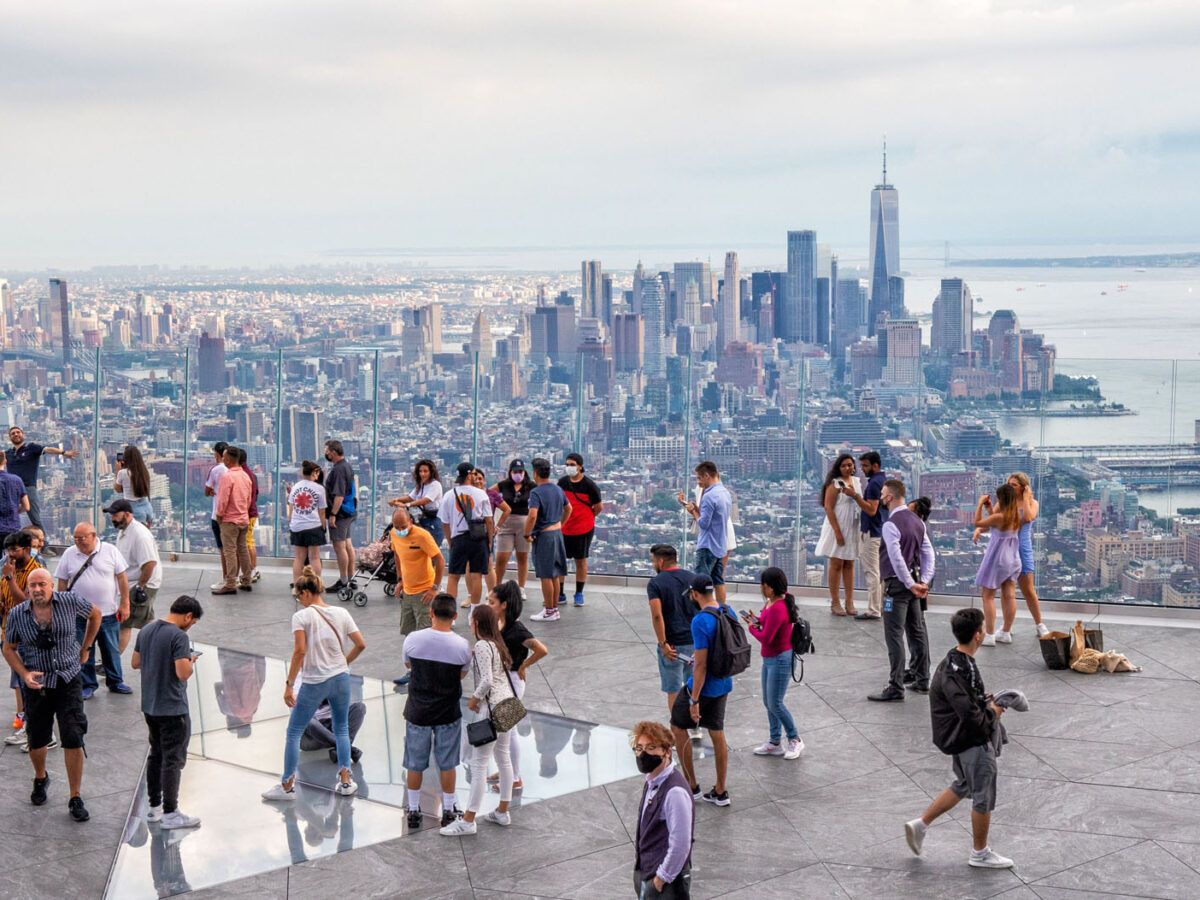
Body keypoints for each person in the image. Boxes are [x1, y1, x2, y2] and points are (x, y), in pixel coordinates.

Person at [904, 607, 1013, 870]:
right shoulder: (960, 669)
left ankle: (921, 824)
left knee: (963, 783)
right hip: (971, 741)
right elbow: (970, 716)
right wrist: (993, 712)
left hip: (957, 737)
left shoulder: (950, 662)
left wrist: (983, 703)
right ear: (978, 635)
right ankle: (980, 853)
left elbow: (963, 702)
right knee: (983, 795)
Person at [2, 568, 101, 822]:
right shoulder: (17, 615)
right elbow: (9, 648)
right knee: (37, 739)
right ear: (27, 589)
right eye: (32, 586)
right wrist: (23, 674)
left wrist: (86, 647)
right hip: (38, 684)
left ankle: (75, 796)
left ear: (51, 586)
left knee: (73, 736)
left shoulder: (69, 602)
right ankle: (40, 777)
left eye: (42, 585)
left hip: (68, 678)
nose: (37, 590)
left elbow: (96, 614)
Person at [262, 566, 366, 801]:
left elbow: (299, 651)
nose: (298, 600)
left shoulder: (301, 617)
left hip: (315, 680)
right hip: (340, 678)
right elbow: (361, 644)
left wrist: (289, 684)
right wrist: (342, 662)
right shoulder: (341, 612)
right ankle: (346, 781)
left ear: (306, 592)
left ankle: (287, 785)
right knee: (341, 729)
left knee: (294, 732)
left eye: (298, 595)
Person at [440, 604, 518, 835]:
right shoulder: (497, 643)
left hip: (492, 709)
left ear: (477, 623)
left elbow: (486, 681)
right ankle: (502, 811)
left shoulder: (484, 645)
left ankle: (468, 820)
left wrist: (474, 699)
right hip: (508, 706)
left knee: (479, 764)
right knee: (503, 759)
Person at [399, 592, 471, 830]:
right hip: (448, 711)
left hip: (418, 710)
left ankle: (413, 809)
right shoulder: (462, 646)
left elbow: (409, 665)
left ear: (430, 613)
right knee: (447, 763)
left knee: (415, 762)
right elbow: (462, 674)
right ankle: (449, 809)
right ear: (454, 616)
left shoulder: (413, 639)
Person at [131, 595, 204, 829]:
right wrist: (190, 660)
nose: (190, 626)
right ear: (188, 616)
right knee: (173, 759)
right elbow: (183, 673)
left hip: (150, 706)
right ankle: (171, 813)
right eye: (192, 622)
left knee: (156, 754)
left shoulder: (146, 630)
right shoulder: (179, 636)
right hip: (173, 708)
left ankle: (154, 808)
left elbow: (135, 662)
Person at [669, 574, 735, 808]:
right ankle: (721, 790)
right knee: (717, 732)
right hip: (724, 683)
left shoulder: (700, 621)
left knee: (678, 725)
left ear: (695, 594)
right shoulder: (728, 611)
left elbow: (701, 667)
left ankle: (691, 784)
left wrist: (694, 699)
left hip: (703, 687)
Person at [868, 480, 935, 702]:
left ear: (892, 496)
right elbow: (928, 554)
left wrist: (910, 583)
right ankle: (923, 679)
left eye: (884, 494)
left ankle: (896, 686)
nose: (882, 497)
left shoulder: (891, 525)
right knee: (917, 631)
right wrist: (922, 581)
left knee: (894, 634)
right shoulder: (918, 522)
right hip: (914, 586)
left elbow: (896, 560)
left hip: (897, 587)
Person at [55, 521, 132, 698]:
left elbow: (122, 577)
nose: (79, 542)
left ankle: (116, 681)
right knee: (83, 650)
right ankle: (88, 684)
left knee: (111, 649)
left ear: (93, 536)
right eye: (75, 538)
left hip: (108, 613)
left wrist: (125, 602)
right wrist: (63, 606)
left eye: (82, 538)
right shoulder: (69, 553)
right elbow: (62, 581)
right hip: (79, 615)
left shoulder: (110, 550)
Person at [488, 580, 547, 791]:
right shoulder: (499, 623)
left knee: (508, 732)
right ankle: (508, 771)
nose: (489, 605)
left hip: (511, 683)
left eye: (492, 601)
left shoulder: (517, 629)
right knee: (506, 732)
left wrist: (523, 665)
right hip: (502, 682)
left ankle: (514, 778)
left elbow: (541, 649)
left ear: (504, 604)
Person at [630, 720, 694, 899]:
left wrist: (659, 881)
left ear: (667, 751)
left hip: (666, 885)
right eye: (639, 748)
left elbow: (680, 845)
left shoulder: (674, 792)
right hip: (648, 873)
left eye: (651, 748)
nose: (643, 754)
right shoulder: (652, 780)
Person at [746, 567, 803, 759]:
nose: (761, 588)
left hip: (779, 659)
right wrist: (756, 620)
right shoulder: (773, 602)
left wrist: (751, 628)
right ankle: (775, 741)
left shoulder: (779, 607)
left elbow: (767, 637)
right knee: (768, 702)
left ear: (769, 587)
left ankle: (795, 739)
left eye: (763, 585)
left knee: (775, 703)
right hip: (770, 658)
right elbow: (765, 620)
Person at [646, 544, 701, 741]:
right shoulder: (693, 578)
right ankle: (695, 725)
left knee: (673, 688)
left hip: (673, 645)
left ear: (660, 561)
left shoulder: (656, 583)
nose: (653, 564)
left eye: (653, 561)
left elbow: (657, 616)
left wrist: (663, 643)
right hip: (695, 641)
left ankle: (679, 727)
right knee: (693, 685)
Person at [390, 506, 445, 687]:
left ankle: (427, 674)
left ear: (411, 521)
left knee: (425, 635)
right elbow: (397, 556)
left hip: (424, 592)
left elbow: (439, 559)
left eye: (403, 526)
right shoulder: (394, 534)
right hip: (408, 591)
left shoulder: (422, 535)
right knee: (409, 634)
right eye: (396, 526)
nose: (400, 530)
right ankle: (413, 671)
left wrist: (434, 588)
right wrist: (400, 580)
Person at [2, 531, 44, 745]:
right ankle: (25, 722)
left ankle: (36, 729)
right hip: (9, 633)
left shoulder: (35, 572)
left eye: (14, 550)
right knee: (18, 681)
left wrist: (9, 578)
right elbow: (4, 598)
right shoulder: (9, 568)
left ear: (27, 549)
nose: (10, 554)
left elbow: (26, 603)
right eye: (8, 550)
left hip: (26, 634)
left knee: (28, 679)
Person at [108, 499, 162, 653]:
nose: (113, 518)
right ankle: (163, 648)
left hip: (143, 583)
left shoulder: (140, 535)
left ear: (127, 514)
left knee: (125, 622)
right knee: (146, 620)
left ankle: (112, 663)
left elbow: (150, 564)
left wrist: (140, 587)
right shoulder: (124, 530)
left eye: (115, 515)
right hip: (133, 582)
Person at [439, 462, 494, 610]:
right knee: (476, 575)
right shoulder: (481, 494)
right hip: (478, 539)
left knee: (453, 576)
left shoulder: (449, 495)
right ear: (469, 475)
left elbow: (445, 522)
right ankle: (474, 610)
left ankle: (450, 611)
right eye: (474, 474)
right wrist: (489, 541)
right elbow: (489, 520)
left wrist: (451, 541)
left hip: (458, 538)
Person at [973, 485, 1022, 647]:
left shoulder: (1000, 518)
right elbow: (995, 523)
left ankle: (990, 635)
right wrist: (989, 509)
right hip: (1012, 559)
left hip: (997, 559)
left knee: (988, 596)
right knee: (1009, 595)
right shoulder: (1015, 515)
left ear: (1001, 499)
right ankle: (1006, 632)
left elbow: (977, 523)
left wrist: (980, 504)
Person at [6, 425, 79, 532]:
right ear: (10, 438)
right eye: (13, 433)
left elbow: (48, 449)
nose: (16, 434)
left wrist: (63, 453)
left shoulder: (31, 448)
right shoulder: (8, 454)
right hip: (12, 490)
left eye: (18, 432)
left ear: (23, 435)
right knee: (8, 515)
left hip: (28, 488)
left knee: (35, 519)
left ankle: (43, 545)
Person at [815, 453, 861, 617]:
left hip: (852, 526)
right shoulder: (834, 484)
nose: (848, 468)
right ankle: (835, 601)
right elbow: (828, 507)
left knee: (849, 563)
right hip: (838, 526)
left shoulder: (856, 482)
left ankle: (849, 601)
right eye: (844, 465)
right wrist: (837, 532)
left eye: (850, 465)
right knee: (836, 564)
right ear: (838, 468)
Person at [678, 461, 731, 602]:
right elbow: (715, 519)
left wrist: (694, 511)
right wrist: (697, 510)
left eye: (699, 478)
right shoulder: (725, 493)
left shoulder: (709, 496)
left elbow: (703, 524)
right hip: (720, 546)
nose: (698, 482)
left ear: (707, 475)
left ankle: (704, 612)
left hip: (707, 546)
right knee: (718, 581)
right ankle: (721, 611)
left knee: (701, 584)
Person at [526, 458, 570, 622]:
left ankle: (549, 611)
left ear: (535, 473)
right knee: (555, 574)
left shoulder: (536, 492)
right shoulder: (558, 489)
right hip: (557, 534)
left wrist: (527, 532)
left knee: (545, 574)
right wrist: (560, 523)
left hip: (544, 536)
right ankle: (554, 609)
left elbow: (532, 515)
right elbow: (569, 508)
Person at [557, 452, 603, 608]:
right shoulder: (562, 482)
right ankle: (560, 593)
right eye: (567, 464)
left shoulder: (590, 486)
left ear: (580, 467)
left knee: (581, 561)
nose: (569, 467)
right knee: (560, 561)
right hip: (564, 527)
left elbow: (598, 507)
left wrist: (587, 517)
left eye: (572, 464)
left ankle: (579, 593)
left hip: (583, 528)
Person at [844, 451, 886, 621]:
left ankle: (874, 609)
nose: (862, 469)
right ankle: (879, 606)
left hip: (872, 531)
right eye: (861, 465)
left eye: (866, 466)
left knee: (872, 572)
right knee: (877, 572)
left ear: (876, 465)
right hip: (879, 530)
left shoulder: (875, 483)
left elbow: (871, 509)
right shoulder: (883, 481)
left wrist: (854, 495)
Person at [1007, 472, 1050, 638]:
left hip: (1023, 548)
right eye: (1009, 484)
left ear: (1023, 487)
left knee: (1028, 589)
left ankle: (1039, 624)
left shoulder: (1033, 503)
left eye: (1014, 485)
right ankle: (1006, 627)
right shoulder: (1006, 502)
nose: (1010, 487)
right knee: (1008, 590)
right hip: (1007, 548)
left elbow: (1029, 516)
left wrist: (1026, 498)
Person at [213, 446, 253, 595]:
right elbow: (248, 499)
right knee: (243, 550)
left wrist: (219, 515)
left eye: (224, 457)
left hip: (229, 520)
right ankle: (247, 579)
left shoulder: (227, 476)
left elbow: (223, 499)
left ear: (228, 459)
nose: (223, 459)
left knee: (230, 552)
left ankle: (230, 583)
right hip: (243, 518)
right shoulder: (245, 476)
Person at [903, 497, 933, 688]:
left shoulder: (918, 529)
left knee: (916, 627)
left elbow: (927, 558)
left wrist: (922, 582)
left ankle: (921, 673)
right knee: (914, 626)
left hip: (918, 580)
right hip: (918, 580)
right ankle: (916, 668)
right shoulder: (917, 527)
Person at [288, 460, 329, 594]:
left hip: (297, 525)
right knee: (314, 558)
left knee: (299, 558)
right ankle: (316, 586)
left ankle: (296, 588)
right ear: (314, 473)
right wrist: (323, 525)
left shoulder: (295, 487)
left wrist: (292, 523)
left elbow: (291, 508)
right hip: (313, 525)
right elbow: (322, 510)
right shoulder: (319, 488)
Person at [492, 459, 532, 591]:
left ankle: (521, 588)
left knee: (523, 556)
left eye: (520, 471)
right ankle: (497, 586)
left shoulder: (531, 485)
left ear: (524, 472)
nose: (518, 474)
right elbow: (489, 493)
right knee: (502, 557)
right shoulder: (504, 484)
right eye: (515, 471)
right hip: (506, 523)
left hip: (525, 524)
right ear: (510, 472)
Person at [324, 440, 358, 595]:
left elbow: (338, 495)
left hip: (341, 514)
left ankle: (344, 581)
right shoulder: (347, 465)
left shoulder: (338, 469)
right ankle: (352, 578)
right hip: (349, 511)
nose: (326, 453)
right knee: (348, 546)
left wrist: (333, 515)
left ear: (333, 452)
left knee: (339, 547)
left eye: (327, 450)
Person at [392, 459, 444, 548]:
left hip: (434, 521)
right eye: (420, 471)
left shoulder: (435, 485)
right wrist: (396, 500)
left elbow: (427, 500)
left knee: (431, 548)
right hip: (424, 519)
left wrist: (407, 505)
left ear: (431, 472)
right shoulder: (421, 485)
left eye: (425, 471)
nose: (422, 474)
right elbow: (410, 497)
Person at [300, 694, 367, 764]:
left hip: (332, 731)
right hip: (311, 737)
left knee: (360, 707)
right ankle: (349, 748)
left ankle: (340, 748)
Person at [472, 467, 505, 593]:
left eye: (480, 478)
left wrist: (497, 526)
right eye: (475, 479)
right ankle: (471, 595)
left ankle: (492, 593)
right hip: (470, 532)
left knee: (489, 565)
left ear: (484, 480)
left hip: (486, 533)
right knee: (471, 567)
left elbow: (506, 509)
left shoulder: (490, 494)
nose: (478, 481)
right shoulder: (468, 494)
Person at [204, 441, 229, 588]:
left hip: (218, 515)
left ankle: (227, 579)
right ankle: (237, 577)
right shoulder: (237, 470)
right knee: (235, 549)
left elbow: (207, 490)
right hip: (234, 515)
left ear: (217, 454)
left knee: (223, 550)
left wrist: (214, 491)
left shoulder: (216, 470)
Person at [113, 445, 154, 526]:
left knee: (134, 535)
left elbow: (118, 489)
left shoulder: (123, 472)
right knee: (145, 535)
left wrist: (117, 471)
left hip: (133, 508)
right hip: (147, 506)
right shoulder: (144, 471)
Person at [238, 448, 262, 584]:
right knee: (248, 541)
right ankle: (252, 570)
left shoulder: (244, 475)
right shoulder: (251, 474)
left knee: (247, 542)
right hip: (251, 511)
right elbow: (256, 495)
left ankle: (252, 570)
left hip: (247, 513)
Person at [0, 451, 29, 545]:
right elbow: (27, 506)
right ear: (5, 461)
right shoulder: (16, 480)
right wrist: (14, 509)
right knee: (12, 557)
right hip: (13, 528)